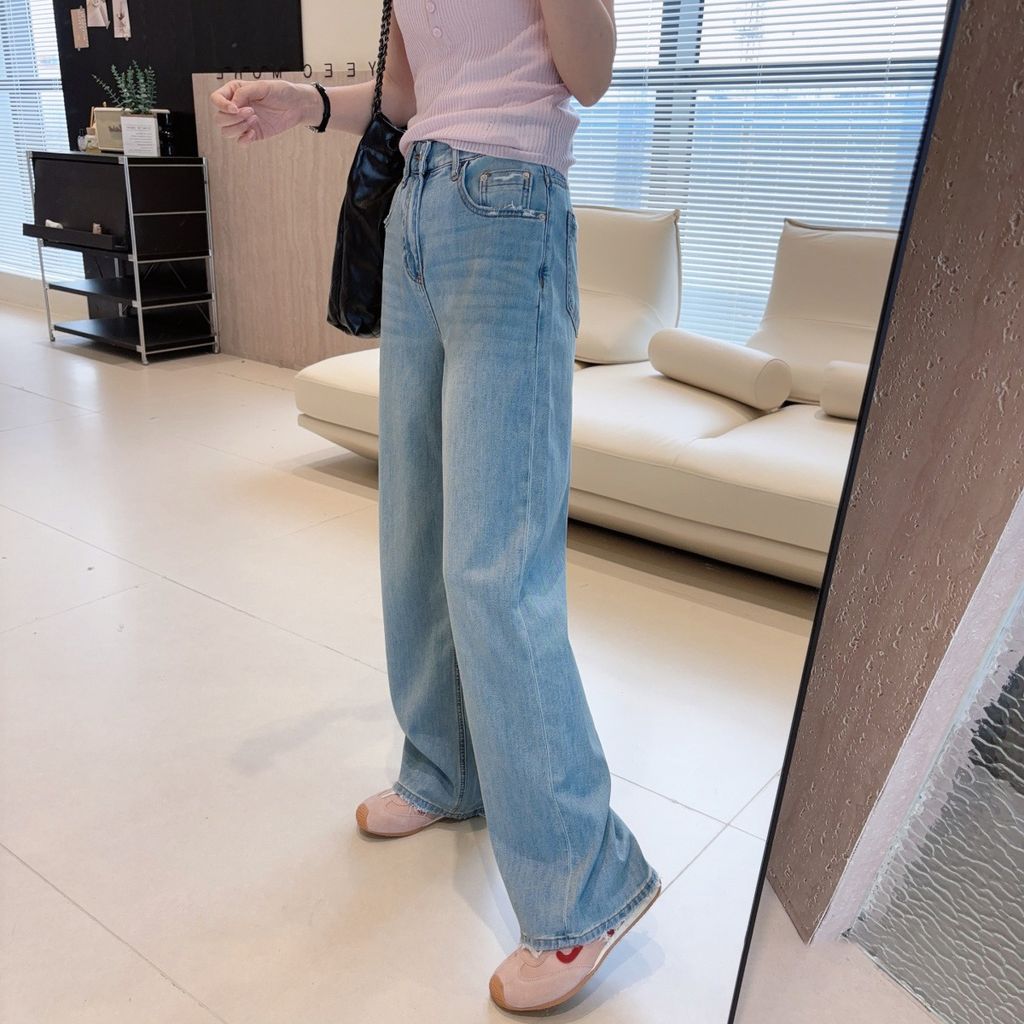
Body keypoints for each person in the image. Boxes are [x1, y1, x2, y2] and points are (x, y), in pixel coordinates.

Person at [210, 0, 659, 1012]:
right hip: (419, 210)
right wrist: (305, 102)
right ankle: (444, 769)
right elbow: (414, 97)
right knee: (413, 531)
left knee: (495, 566)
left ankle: (585, 889)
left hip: (510, 208)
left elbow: (590, 73)